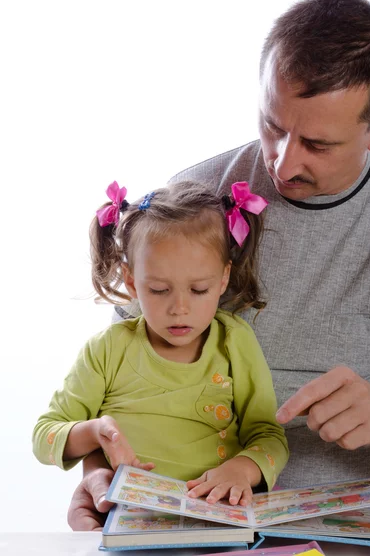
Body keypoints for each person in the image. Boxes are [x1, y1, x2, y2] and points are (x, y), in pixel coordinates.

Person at [67, 0, 370, 531]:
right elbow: (117, 375)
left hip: (351, 529)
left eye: (317, 144)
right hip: (184, 521)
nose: (283, 162)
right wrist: (99, 476)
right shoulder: (193, 199)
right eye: (273, 125)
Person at [32, 180, 289, 513]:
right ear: (130, 281)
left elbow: (269, 435)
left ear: (223, 279)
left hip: (219, 521)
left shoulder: (235, 341)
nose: (179, 308)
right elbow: (44, 436)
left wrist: (242, 468)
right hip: (131, 522)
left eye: (198, 290)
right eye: (158, 290)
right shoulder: (108, 349)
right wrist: (96, 431)